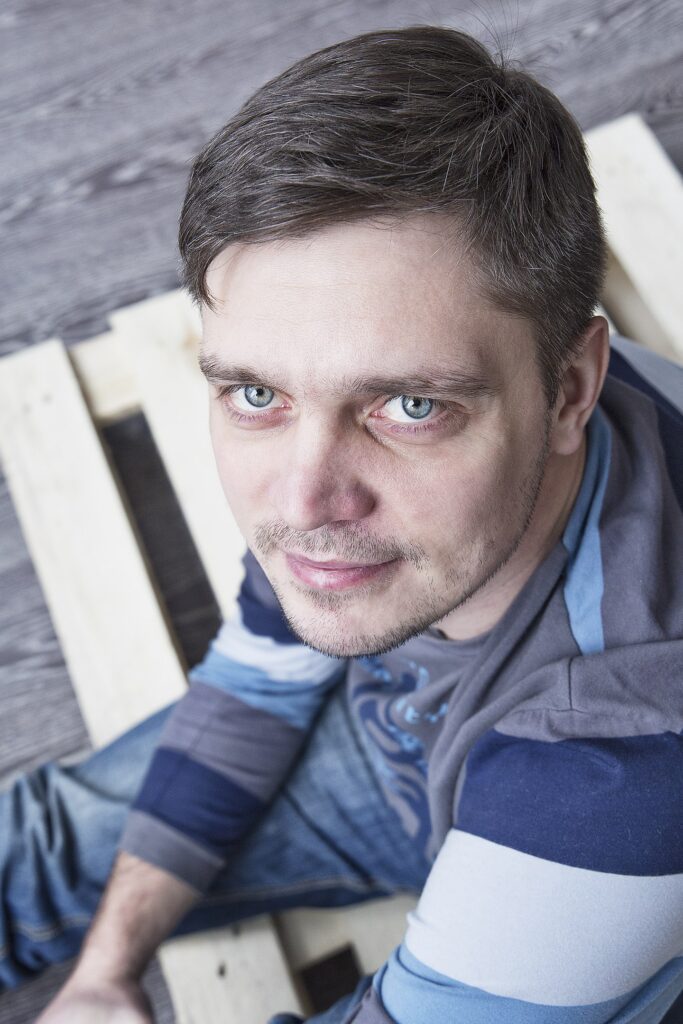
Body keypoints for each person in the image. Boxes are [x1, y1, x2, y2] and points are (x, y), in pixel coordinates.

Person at [1, 24, 682, 1024]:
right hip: (406, 742)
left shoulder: (621, 768)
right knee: (32, 846)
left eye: (409, 405)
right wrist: (107, 971)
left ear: (570, 388)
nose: (302, 500)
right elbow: (254, 682)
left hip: (553, 820)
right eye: (256, 393)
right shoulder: (371, 490)